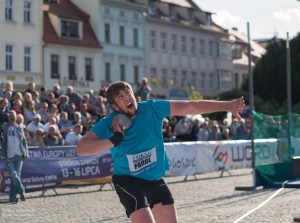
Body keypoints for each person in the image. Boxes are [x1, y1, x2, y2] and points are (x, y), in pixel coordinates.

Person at [76, 81, 244, 223]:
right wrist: (114, 139)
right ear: (114, 106)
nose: (127, 97)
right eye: (121, 97)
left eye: (128, 92)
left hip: (153, 179)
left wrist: (227, 106)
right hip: (127, 181)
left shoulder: (151, 109)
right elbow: (82, 148)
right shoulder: (109, 123)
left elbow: (190, 105)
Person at [2, 110, 28, 203]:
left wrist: (26, 152)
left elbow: (24, 141)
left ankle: (12, 197)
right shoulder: (5, 127)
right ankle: (21, 191)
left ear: (16, 117)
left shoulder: (19, 128)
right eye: (10, 116)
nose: (12, 118)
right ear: (8, 118)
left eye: (13, 116)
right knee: (14, 175)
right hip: (9, 156)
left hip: (19, 155)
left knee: (15, 176)